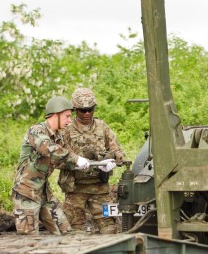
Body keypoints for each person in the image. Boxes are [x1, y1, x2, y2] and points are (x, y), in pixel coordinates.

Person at [12, 96, 91, 235]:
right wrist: (76, 159)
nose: (69, 120)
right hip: (26, 193)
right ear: (56, 115)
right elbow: (46, 148)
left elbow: (67, 158)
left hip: (44, 193)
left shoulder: (59, 136)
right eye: (66, 116)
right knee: (28, 240)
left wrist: (96, 164)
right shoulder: (36, 131)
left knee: (65, 232)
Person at [59, 87, 125, 234]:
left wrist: (110, 161)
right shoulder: (66, 130)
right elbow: (56, 158)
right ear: (75, 109)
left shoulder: (103, 127)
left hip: (100, 189)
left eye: (90, 109)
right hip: (75, 190)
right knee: (71, 232)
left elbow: (120, 154)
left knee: (109, 229)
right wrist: (75, 162)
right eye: (83, 110)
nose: (87, 113)